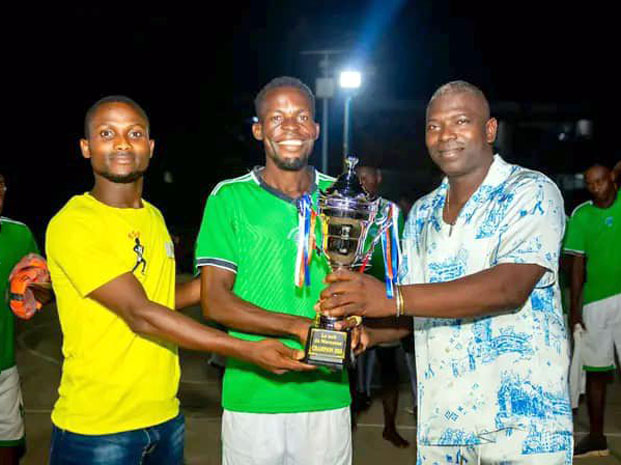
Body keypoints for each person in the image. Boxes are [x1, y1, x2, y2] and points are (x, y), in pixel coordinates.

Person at [45, 96, 313, 465]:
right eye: (107, 133)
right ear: (86, 147)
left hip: (165, 418)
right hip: (98, 428)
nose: (122, 143)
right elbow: (141, 313)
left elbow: (161, 297)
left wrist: (232, 273)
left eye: (134, 133)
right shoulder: (75, 222)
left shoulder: (153, 217)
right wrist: (246, 349)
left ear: (150, 147)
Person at [319, 81, 573, 464]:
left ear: (490, 129)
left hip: (523, 429)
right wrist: (367, 334)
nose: (445, 135)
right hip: (443, 429)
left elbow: (509, 288)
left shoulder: (530, 191)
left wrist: (390, 298)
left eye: (460, 121)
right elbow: (416, 311)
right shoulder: (422, 213)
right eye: (433, 126)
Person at [196, 76, 354, 465]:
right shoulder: (229, 197)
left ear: (316, 129)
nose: (291, 127)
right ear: (258, 130)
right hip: (252, 396)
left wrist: (360, 323)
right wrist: (297, 326)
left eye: (301, 117)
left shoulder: (344, 200)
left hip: (326, 394)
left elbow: (368, 289)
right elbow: (215, 301)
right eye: (277, 118)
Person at [564, 163, 620, 458]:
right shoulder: (581, 215)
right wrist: (575, 307)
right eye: (590, 183)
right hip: (595, 303)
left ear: (612, 178)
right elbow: (577, 264)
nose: (596, 187)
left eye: (600, 181)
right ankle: (597, 438)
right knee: (596, 371)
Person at [355, 163, 413, 448]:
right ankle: (349, 421)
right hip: (354, 296)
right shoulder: (345, 208)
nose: (363, 183)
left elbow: (401, 252)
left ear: (379, 179)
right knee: (348, 362)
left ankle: (390, 426)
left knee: (388, 366)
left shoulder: (391, 212)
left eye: (368, 177)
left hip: (383, 298)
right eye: (359, 178)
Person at [0, 173, 41, 464]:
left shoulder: (19, 235)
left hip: (3, 367)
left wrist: (38, 289)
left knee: (9, 444)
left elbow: (44, 288)